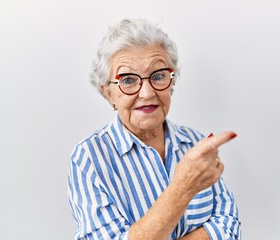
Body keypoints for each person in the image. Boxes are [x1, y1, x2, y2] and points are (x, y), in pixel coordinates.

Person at [68, 18, 241, 240]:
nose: (147, 93)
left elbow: (229, 226)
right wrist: (182, 187)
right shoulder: (89, 158)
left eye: (158, 76)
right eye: (128, 80)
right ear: (107, 92)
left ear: (172, 81)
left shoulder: (195, 143)